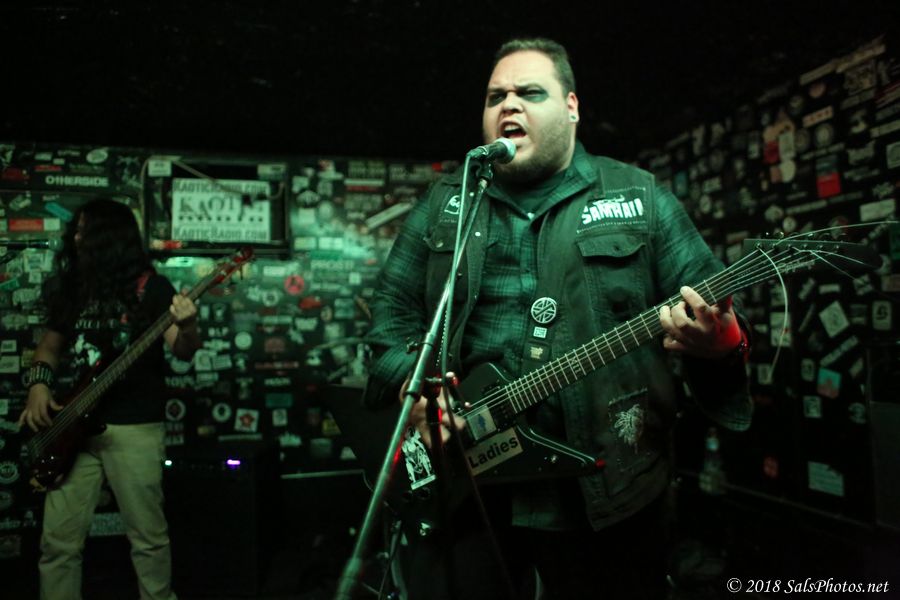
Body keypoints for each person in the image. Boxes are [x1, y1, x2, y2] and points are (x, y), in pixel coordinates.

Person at [363, 38, 752, 599]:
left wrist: (722, 342)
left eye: (530, 92)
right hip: (467, 487)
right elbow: (388, 318)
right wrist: (416, 386)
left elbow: (721, 318)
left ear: (571, 107)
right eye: (496, 96)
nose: (509, 104)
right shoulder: (446, 202)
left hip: (606, 489)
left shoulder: (640, 197)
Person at [18, 198, 201, 600]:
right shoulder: (73, 287)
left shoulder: (152, 288)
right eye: (77, 230)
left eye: (85, 230)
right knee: (58, 542)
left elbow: (183, 349)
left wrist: (188, 326)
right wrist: (38, 386)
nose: (76, 237)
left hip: (134, 427)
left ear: (109, 237)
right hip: (74, 427)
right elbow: (49, 347)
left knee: (148, 539)